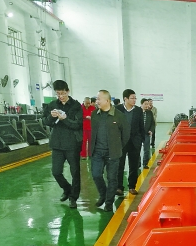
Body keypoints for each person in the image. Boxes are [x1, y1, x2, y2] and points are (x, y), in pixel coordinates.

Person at [42, 79, 83, 209]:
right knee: (56, 172)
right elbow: (45, 122)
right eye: (58, 93)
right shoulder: (52, 105)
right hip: (57, 144)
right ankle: (67, 189)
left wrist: (65, 119)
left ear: (68, 91)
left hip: (72, 144)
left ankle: (73, 197)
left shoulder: (76, 106)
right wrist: (51, 117)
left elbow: (78, 125)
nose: (61, 96)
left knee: (75, 172)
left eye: (63, 93)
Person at [90, 90, 130, 212]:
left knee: (112, 178)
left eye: (99, 99)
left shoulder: (119, 115)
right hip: (97, 152)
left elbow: (126, 134)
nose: (96, 101)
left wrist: (117, 146)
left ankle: (109, 202)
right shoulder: (94, 114)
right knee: (96, 175)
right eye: (96, 99)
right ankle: (103, 195)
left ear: (107, 101)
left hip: (112, 153)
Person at [115, 89, 143, 196]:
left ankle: (132, 186)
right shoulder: (117, 109)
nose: (134, 100)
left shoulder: (138, 110)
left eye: (135, 98)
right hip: (120, 142)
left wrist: (140, 139)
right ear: (125, 99)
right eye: (132, 98)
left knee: (134, 165)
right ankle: (119, 187)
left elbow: (141, 126)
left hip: (134, 142)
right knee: (119, 165)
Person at [140, 98, 155, 169]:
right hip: (138, 134)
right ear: (141, 104)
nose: (147, 106)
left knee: (147, 150)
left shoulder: (149, 112)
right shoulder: (137, 112)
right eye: (145, 104)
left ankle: (145, 163)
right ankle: (137, 163)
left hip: (146, 134)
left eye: (147, 104)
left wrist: (151, 130)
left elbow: (152, 123)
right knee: (137, 150)